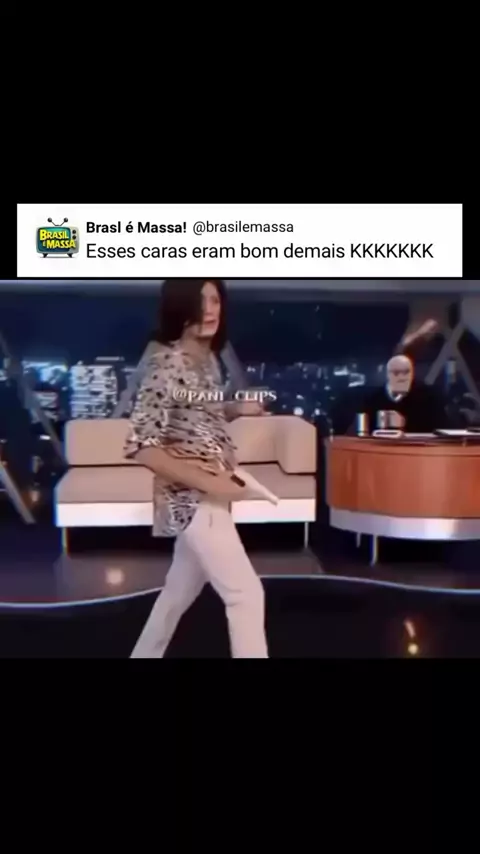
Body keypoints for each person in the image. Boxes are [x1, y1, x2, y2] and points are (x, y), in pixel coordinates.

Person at [125, 278, 269, 659]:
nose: (210, 310)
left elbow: (199, 412)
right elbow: (142, 447)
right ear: (179, 308)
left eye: (215, 300)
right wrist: (213, 485)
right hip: (192, 499)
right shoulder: (166, 364)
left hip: (209, 494)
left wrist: (236, 409)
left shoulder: (206, 361)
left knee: (176, 594)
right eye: (199, 301)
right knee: (246, 595)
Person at [359, 352, 450, 433]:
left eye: (406, 372)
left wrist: (405, 423)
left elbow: (443, 430)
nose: (401, 378)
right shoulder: (372, 399)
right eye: (396, 373)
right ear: (387, 375)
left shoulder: (429, 397)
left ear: (412, 374)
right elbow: (362, 432)